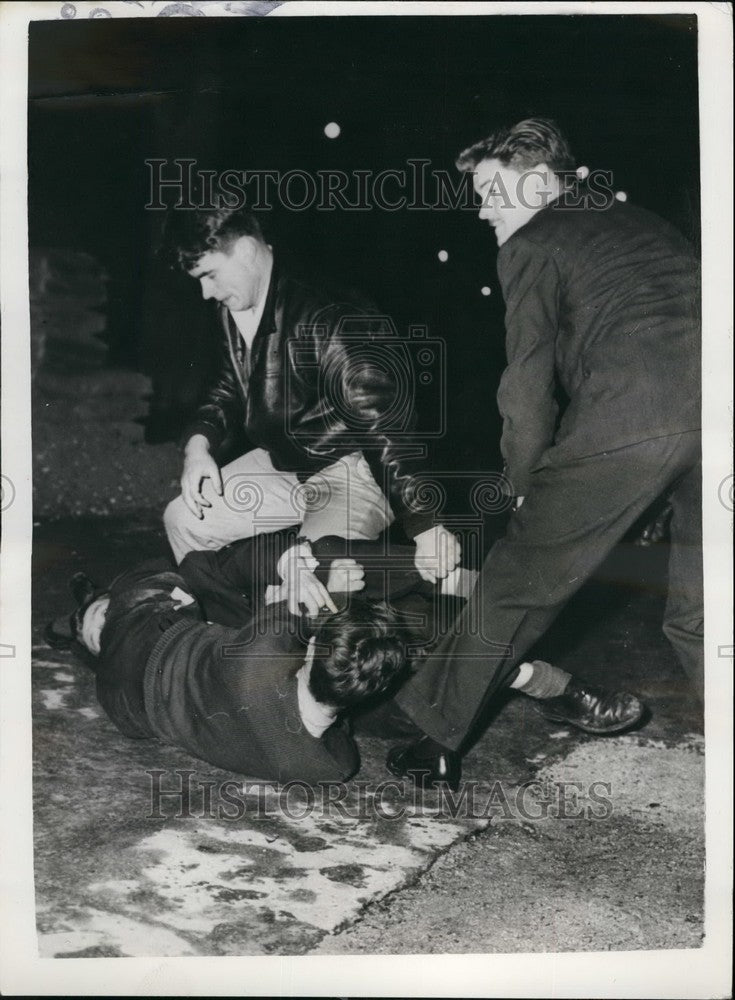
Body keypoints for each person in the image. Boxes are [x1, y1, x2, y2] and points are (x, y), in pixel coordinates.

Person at [387, 117, 701, 788]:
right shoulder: (639, 221)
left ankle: (436, 741)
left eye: (492, 193)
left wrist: (523, 481)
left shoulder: (531, 240)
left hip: (634, 414)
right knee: (705, 605)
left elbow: (526, 385)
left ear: (539, 181)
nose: (482, 211)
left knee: (513, 584)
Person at [160, 205, 459, 586]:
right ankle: (223, 632)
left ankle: (414, 592)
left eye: (210, 275)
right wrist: (198, 449)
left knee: (309, 579)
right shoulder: (233, 308)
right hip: (286, 464)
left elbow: (382, 421)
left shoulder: (327, 312)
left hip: (352, 469)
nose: (206, 292)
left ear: (248, 251)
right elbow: (228, 387)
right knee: (184, 519)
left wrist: (424, 522)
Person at [45, 545, 408, 785]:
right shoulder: (334, 767)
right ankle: (82, 629)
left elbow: (306, 607)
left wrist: (336, 590)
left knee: (148, 584)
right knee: (102, 651)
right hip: (130, 713)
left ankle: (86, 614)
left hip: (150, 639)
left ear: (312, 648)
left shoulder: (260, 655)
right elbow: (339, 733)